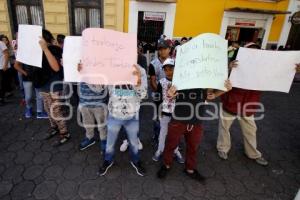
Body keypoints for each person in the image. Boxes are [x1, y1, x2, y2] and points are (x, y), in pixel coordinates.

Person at [217, 42, 300, 166]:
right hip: (231, 102)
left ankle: (253, 153)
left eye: (256, 51)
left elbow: (279, 73)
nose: (253, 54)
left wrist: (293, 70)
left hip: (249, 104)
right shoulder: (234, 64)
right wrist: (229, 68)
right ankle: (223, 149)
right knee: (224, 129)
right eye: (250, 51)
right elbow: (219, 78)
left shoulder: (263, 69)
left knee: (251, 130)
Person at [157, 80, 232, 182]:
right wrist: (170, 94)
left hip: (196, 121)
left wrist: (225, 89)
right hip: (179, 119)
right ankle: (166, 165)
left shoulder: (204, 81)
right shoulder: (181, 77)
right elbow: (171, 95)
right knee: (171, 144)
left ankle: (190, 169)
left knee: (193, 147)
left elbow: (210, 96)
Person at [99, 65, 148, 177]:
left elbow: (143, 95)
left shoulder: (140, 70)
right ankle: (108, 160)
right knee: (110, 142)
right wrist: (84, 73)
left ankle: (135, 161)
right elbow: (99, 88)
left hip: (132, 115)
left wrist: (138, 82)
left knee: (134, 142)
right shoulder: (109, 67)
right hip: (114, 114)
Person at [38, 29, 69, 146]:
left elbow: (56, 68)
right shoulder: (36, 51)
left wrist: (45, 49)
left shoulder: (54, 50)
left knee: (56, 110)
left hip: (54, 85)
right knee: (47, 108)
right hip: (42, 84)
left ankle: (65, 133)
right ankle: (54, 127)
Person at [152, 58, 184, 164]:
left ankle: (175, 150)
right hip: (164, 112)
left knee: (175, 134)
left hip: (177, 114)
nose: (169, 71)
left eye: (171, 69)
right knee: (163, 132)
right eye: (166, 69)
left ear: (176, 69)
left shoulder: (181, 83)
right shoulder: (161, 82)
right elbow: (158, 98)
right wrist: (158, 110)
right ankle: (160, 150)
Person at [77, 62, 108, 153]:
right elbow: (74, 80)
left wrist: (86, 74)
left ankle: (104, 140)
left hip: (99, 103)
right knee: (87, 123)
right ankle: (90, 137)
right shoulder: (80, 61)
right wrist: (68, 66)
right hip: (84, 101)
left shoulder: (102, 64)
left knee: (102, 125)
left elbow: (100, 87)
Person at [0, 39, 9, 105]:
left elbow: (6, 53)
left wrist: (5, 65)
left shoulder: (1, 43)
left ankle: (1, 98)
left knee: (3, 83)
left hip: (2, 67)